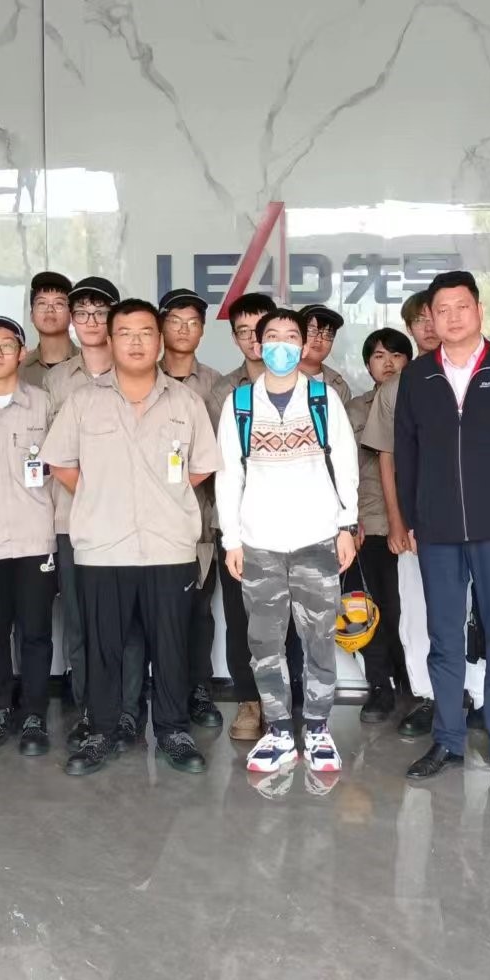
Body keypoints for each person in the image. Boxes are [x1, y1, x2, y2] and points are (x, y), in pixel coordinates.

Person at [41, 299, 220, 778]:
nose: (136, 342)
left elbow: (202, 466)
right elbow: (60, 462)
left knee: (172, 644)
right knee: (104, 647)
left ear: (159, 341)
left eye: (145, 333)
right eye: (125, 333)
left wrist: (162, 496)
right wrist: (102, 495)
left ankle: (173, 730)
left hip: (169, 545)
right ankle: (101, 731)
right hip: (104, 546)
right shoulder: (84, 401)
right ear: (110, 340)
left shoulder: (185, 402)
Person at [394, 270, 490, 789]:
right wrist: (413, 519)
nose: (453, 317)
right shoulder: (417, 376)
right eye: (442, 309)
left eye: (462, 306)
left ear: (480, 310)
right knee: (443, 638)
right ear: (430, 318)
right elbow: (406, 453)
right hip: (437, 530)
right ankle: (448, 740)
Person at [216, 308, 360, 773]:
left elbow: (346, 464)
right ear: (258, 346)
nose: (281, 345)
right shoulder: (240, 403)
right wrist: (232, 539)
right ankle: (278, 731)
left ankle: (317, 729)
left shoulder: (322, 398)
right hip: (259, 543)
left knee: (319, 639)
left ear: (303, 345)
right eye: (272, 337)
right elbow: (228, 475)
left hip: (317, 538)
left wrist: (347, 526)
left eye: (291, 336)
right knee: (264, 643)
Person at [0, 316, 58, 756]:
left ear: (23, 353)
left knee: (36, 632)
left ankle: (35, 713)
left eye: (7, 345)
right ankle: (0, 707)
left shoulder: (45, 404)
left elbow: (65, 466)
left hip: (36, 537)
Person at [44, 276, 122, 745]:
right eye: (82, 313)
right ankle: (89, 712)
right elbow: (50, 456)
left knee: (127, 624)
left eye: (100, 312)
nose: (91, 321)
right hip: (70, 517)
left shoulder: (134, 371)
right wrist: (93, 495)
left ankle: (126, 711)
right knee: (78, 621)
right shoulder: (55, 381)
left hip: (129, 522)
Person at [209, 290, 281, 744]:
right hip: (238, 525)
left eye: (262, 331)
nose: (254, 341)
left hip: (290, 527)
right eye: (244, 332)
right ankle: (249, 702)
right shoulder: (223, 392)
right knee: (241, 619)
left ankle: (283, 704)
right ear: (235, 339)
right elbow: (216, 464)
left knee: (288, 620)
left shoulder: (307, 388)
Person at [158, 287, 225, 731]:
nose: (183, 330)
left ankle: (199, 690)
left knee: (198, 612)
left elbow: (221, 457)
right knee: (149, 616)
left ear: (202, 331)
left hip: (199, 520)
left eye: (193, 323)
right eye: (174, 322)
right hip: (144, 522)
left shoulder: (215, 386)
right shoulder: (142, 378)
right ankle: (149, 696)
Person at [347, 328, 412, 723]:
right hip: (368, 524)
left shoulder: (422, 401)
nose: (388, 363)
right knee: (372, 608)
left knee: (411, 612)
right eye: (378, 356)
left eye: (396, 355)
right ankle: (379, 686)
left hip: (417, 528)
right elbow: (341, 469)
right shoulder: (355, 409)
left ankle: (414, 684)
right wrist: (347, 520)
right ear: (368, 365)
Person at [20, 271, 76, 388]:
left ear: (71, 315)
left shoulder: (88, 363)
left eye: (59, 304)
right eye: (42, 303)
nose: (50, 310)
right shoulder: (18, 368)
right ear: (31, 315)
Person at [299, 303, 354, 404]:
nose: (319, 339)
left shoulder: (339, 386)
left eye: (328, 334)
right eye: (312, 330)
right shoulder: (280, 377)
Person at [401, 292, 440, 357]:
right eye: (419, 320)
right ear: (409, 328)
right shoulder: (411, 364)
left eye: (434, 318)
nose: (429, 328)